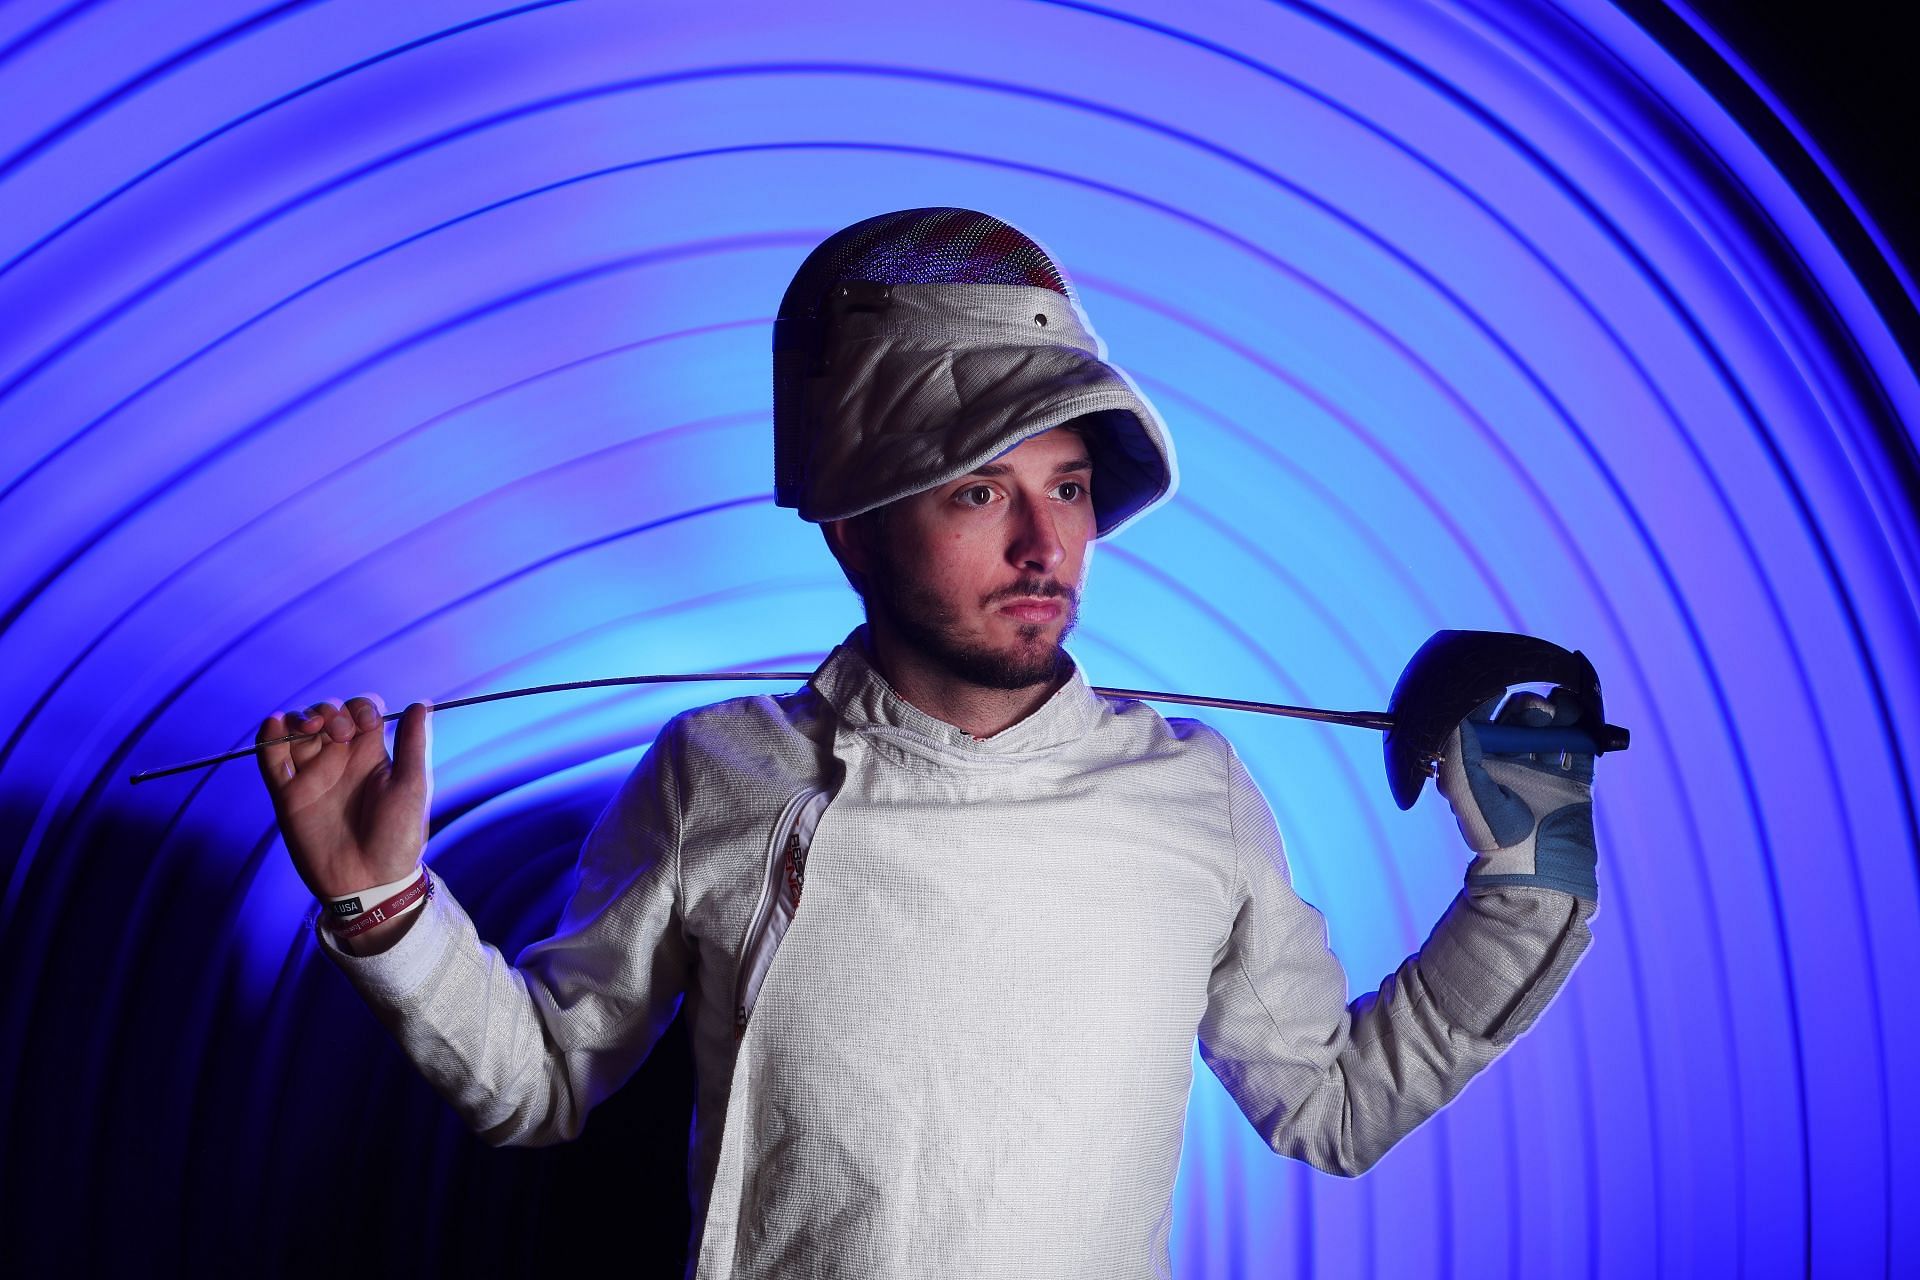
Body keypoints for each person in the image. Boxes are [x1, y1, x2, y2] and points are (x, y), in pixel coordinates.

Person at [256, 209, 1600, 1279]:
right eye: (980, 490)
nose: (1046, 546)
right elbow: (546, 1082)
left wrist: (1533, 880)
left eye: (1068, 487)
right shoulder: (718, 771)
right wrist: (385, 908)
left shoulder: (1195, 793)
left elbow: (1334, 1108)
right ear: (852, 517)